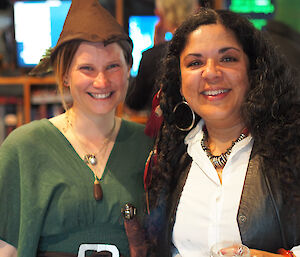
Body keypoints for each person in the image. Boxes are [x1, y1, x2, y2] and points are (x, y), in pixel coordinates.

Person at [0, 0, 153, 256]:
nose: (101, 81)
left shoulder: (148, 145)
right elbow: (6, 248)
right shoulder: (24, 148)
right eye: (87, 68)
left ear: (128, 69)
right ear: (65, 75)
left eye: (112, 66)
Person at [144, 8, 300, 257]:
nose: (212, 72)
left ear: (253, 70)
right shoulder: (169, 155)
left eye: (227, 58)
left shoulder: (292, 146)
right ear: (180, 81)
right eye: (195, 63)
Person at [125, 0, 206, 114]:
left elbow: (133, 106)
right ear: (197, 9)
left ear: (160, 14)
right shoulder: (208, 50)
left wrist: (156, 48)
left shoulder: (152, 56)